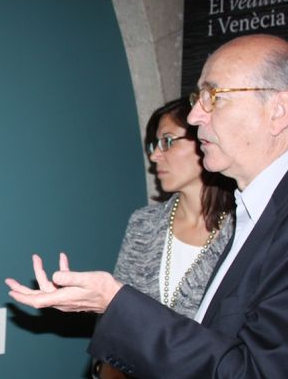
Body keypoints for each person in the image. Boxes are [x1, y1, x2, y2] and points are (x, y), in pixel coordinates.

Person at [6, 34, 288, 378]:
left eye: (213, 97)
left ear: (278, 110)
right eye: (198, 97)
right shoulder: (262, 206)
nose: (194, 116)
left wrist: (117, 303)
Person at [94, 98, 236, 379]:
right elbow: (116, 315)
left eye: (168, 141)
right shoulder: (144, 223)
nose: (155, 155)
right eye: (154, 145)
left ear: (203, 138)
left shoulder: (242, 231)